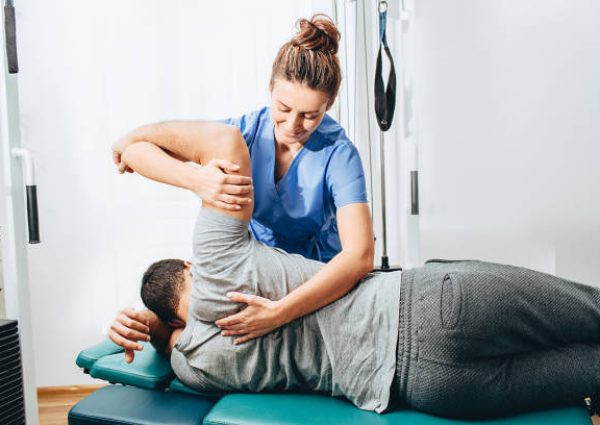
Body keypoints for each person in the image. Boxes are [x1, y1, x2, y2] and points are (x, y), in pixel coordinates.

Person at [112, 128, 599, 420]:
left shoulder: (193, 365)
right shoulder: (219, 261)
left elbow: (167, 343)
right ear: (191, 265)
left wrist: (153, 326)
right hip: (429, 307)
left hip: (430, 388)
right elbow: (222, 141)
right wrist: (159, 156)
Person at [110, 15, 374, 359]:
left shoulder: (339, 154)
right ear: (270, 88)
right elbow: (134, 152)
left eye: (310, 115)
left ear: (329, 105)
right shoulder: (243, 133)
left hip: (316, 282)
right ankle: (141, 323)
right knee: (197, 323)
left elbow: (360, 255)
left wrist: (280, 312)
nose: (293, 125)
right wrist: (197, 180)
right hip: (255, 272)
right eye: (283, 108)